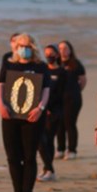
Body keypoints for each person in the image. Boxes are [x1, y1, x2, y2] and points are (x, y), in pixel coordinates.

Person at [0, 33, 51, 192]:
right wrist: (1, 105)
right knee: (13, 156)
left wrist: (40, 108)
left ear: (33, 48)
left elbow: (46, 90)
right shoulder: (9, 64)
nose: (23, 49)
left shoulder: (41, 66)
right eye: (20, 45)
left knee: (29, 156)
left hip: (32, 117)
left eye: (27, 46)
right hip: (10, 116)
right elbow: (0, 86)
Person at [37, 44, 65, 181]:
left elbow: (63, 94)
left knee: (48, 140)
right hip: (41, 110)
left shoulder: (62, 72)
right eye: (46, 54)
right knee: (41, 141)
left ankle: (49, 170)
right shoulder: (43, 70)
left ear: (57, 55)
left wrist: (52, 109)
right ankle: (47, 168)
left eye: (51, 53)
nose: (49, 56)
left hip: (55, 112)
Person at [57, 40, 87, 160]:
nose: (63, 51)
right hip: (58, 99)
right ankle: (60, 149)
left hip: (73, 99)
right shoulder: (56, 63)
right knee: (60, 125)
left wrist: (76, 91)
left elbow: (83, 80)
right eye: (60, 48)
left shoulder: (76, 63)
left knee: (70, 124)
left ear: (70, 50)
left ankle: (72, 150)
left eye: (65, 48)